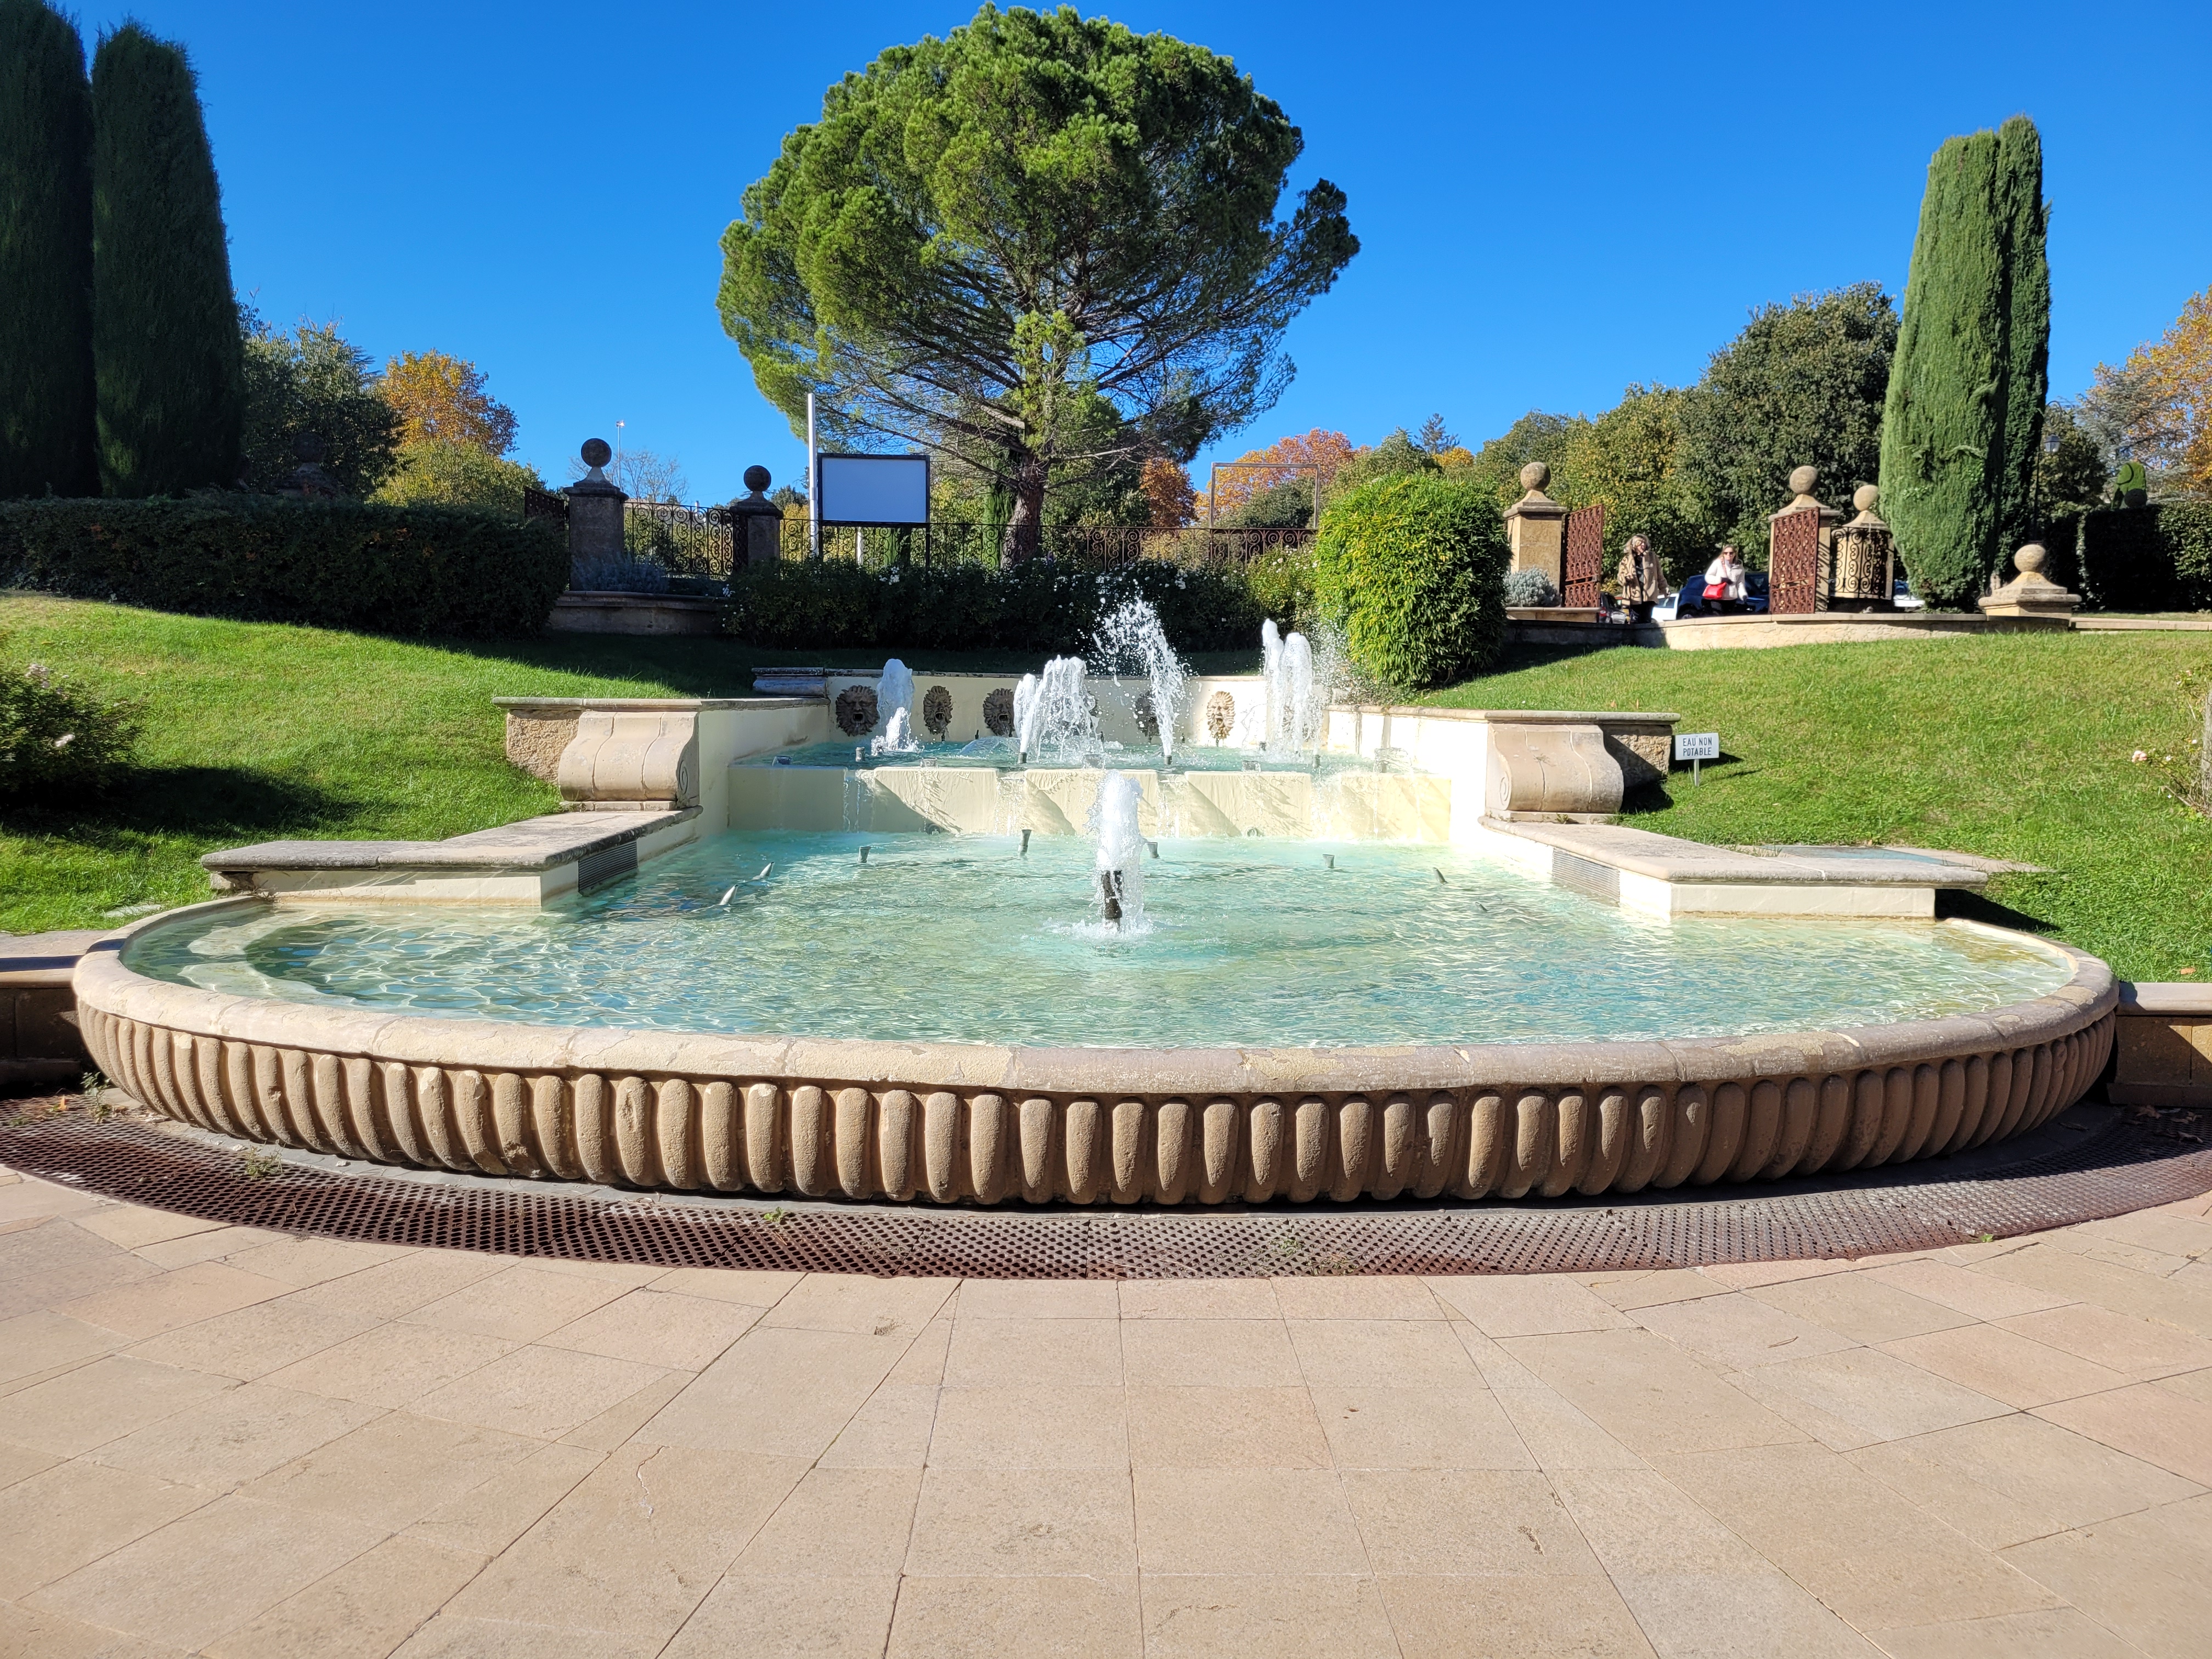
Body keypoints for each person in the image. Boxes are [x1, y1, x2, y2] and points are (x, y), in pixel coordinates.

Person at [1616, 534, 1669, 622]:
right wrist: (1626, 578)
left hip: (1649, 595)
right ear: (1634, 545)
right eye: (1640, 543)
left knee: (1647, 620)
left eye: (1644, 543)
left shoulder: (1652, 557)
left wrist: (1665, 589)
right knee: (1635, 620)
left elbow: (1660, 576)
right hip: (1634, 595)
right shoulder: (1626, 560)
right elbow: (1620, 578)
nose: (1643, 545)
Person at [1701, 545, 1749, 613]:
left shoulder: (1740, 568)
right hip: (1718, 597)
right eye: (1726, 553)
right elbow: (1708, 577)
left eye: (1731, 553)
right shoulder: (1718, 563)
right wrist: (1721, 579)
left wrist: (1743, 595)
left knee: (1728, 618)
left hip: (1731, 598)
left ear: (1735, 554)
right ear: (1723, 554)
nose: (1728, 555)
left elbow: (1740, 583)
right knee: (1718, 617)